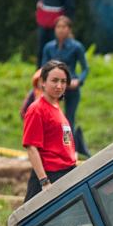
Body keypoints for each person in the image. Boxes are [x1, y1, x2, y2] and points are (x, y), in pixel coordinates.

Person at [22, 60, 77, 201]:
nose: (59, 86)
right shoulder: (37, 109)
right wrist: (44, 182)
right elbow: (31, 148)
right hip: (50, 176)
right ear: (43, 82)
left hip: (65, 173)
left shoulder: (56, 107)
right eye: (54, 81)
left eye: (63, 81)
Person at [41, 16, 89, 133]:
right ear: (54, 29)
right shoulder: (49, 47)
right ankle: (52, 147)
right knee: (52, 118)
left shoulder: (76, 47)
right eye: (58, 27)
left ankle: (67, 147)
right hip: (54, 88)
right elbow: (43, 68)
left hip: (70, 87)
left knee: (68, 120)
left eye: (64, 27)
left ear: (69, 29)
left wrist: (78, 81)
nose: (61, 30)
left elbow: (85, 68)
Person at [35, 0, 75, 67]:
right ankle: (40, 73)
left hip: (58, 24)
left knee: (57, 49)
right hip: (44, 23)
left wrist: (67, 26)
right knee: (42, 48)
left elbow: (69, 7)